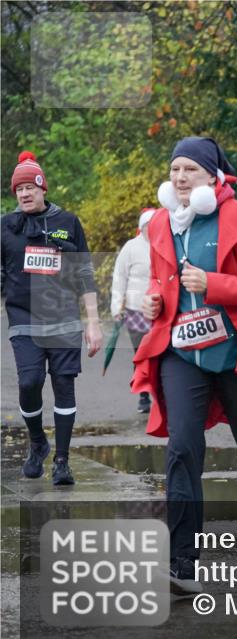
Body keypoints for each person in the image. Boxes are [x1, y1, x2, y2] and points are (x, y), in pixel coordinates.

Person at [131, 136, 237, 593]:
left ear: (212, 176)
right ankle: (182, 562)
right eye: (175, 170)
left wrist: (215, 284)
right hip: (183, 353)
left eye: (190, 169)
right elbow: (160, 281)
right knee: (182, 448)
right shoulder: (161, 224)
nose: (181, 177)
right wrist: (153, 301)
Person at [2, 151, 103, 486]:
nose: (25, 193)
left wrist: (93, 323)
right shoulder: (6, 227)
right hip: (24, 320)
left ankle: (62, 461)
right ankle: (37, 443)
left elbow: (86, 275)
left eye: (31, 186)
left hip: (64, 321)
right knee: (30, 383)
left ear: (43, 187)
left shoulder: (68, 222)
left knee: (63, 386)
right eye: (20, 189)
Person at [110, 208, 155, 413]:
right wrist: (116, 306)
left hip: (161, 309)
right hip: (135, 310)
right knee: (141, 353)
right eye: (148, 225)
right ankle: (143, 396)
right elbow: (119, 277)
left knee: (163, 354)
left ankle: (163, 394)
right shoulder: (131, 247)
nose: (152, 229)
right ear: (142, 227)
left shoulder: (167, 244)